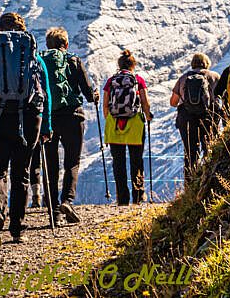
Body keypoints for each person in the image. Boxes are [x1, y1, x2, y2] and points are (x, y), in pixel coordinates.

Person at [0, 12, 52, 248]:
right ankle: (18, 229)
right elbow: (46, 92)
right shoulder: (32, 52)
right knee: (21, 173)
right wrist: (47, 125)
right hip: (29, 118)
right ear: (22, 29)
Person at [38, 26, 99, 224]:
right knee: (72, 161)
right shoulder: (73, 60)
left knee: (50, 163)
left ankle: (53, 211)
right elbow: (89, 94)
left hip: (48, 118)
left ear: (47, 45)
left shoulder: (40, 62)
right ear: (66, 44)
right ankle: (67, 200)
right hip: (73, 116)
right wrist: (95, 95)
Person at [102, 50, 152, 205]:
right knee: (137, 160)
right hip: (135, 124)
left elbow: (105, 106)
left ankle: (122, 198)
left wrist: (111, 119)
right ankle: (138, 196)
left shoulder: (111, 81)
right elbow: (145, 102)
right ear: (133, 65)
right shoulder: (138, 80)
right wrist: (148, 116)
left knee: (118, 162)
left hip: (115, 124)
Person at [170, 52, 220, 173]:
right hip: (209, 118)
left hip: (187, 119)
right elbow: (222, 96)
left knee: (190, 153)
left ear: (193, 64)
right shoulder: (215, 77)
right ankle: (210, 181)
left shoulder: (183, 78)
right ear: (207, 63)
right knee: (211, 150)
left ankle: (190, 186)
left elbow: (173, 102)